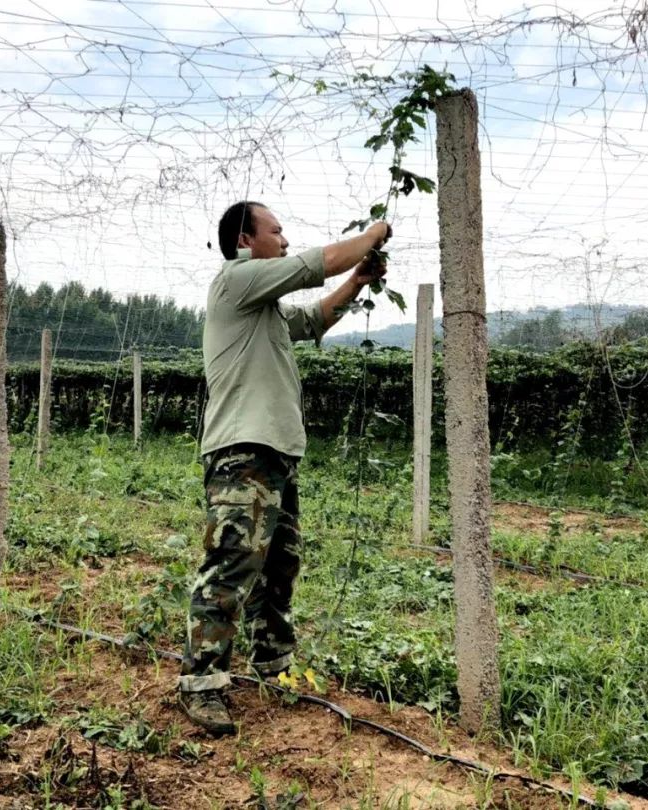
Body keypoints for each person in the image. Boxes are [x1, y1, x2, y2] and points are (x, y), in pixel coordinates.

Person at [178, 201, 392, 735]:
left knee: (279, 565)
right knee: (231, 564)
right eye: (276, 230)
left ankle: (273, 663)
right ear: (247, 242)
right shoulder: (237, 281)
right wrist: (371, 236)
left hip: (273, 452)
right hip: (241, 452)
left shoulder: (262, 309)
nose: (285, 238)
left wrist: (359, 281)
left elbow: (315, 317)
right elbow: (314, 265)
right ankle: (201, 683)